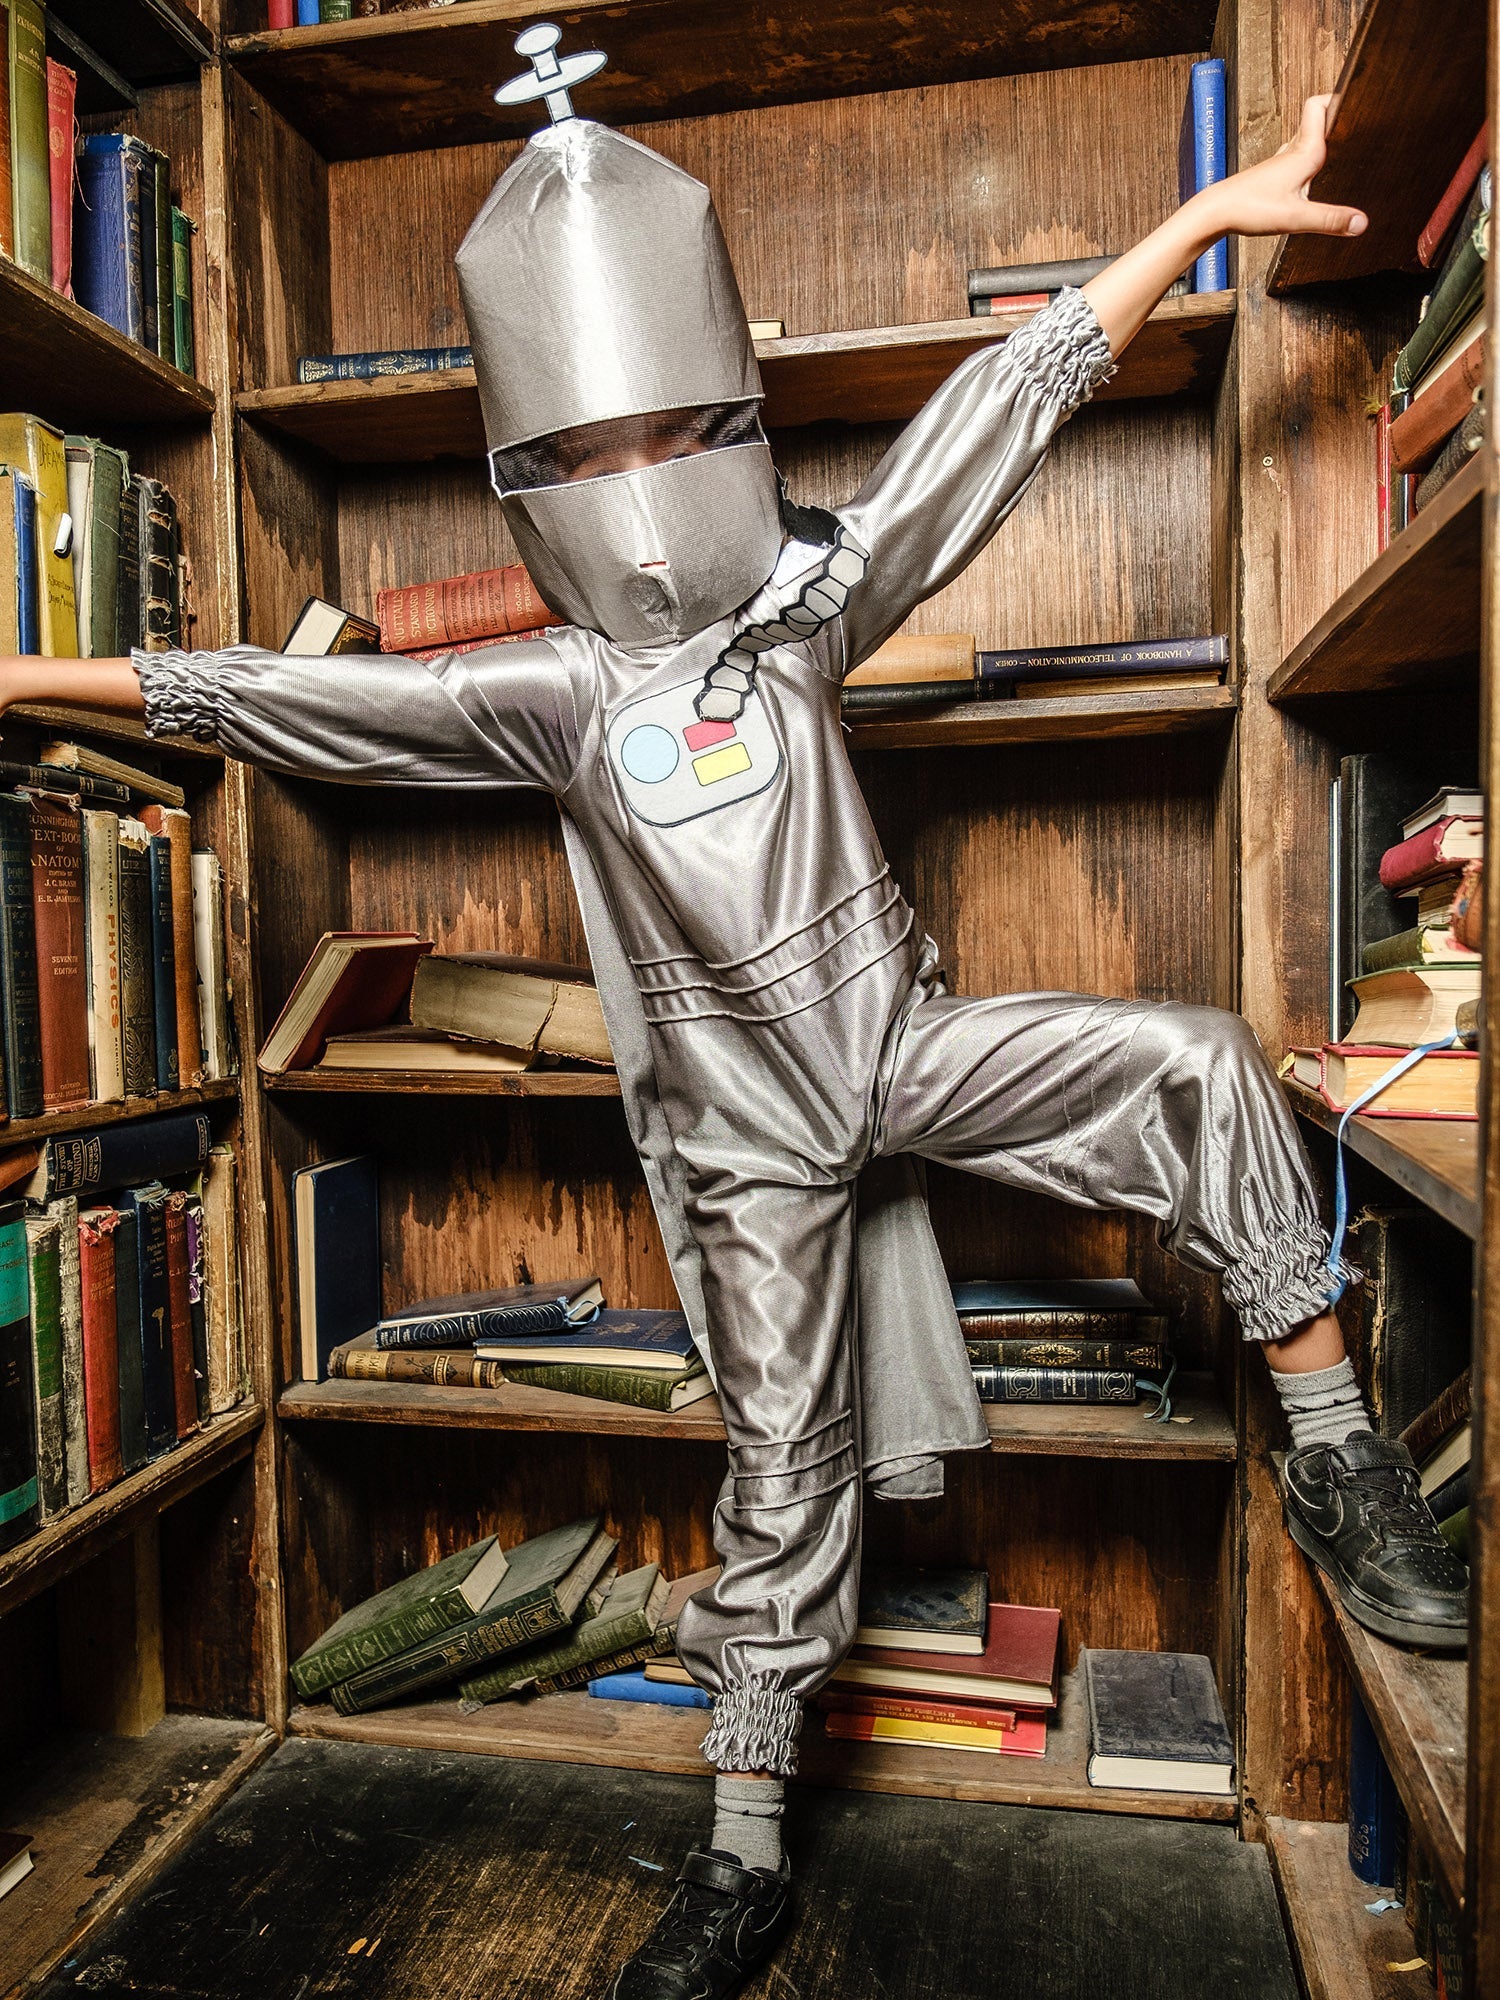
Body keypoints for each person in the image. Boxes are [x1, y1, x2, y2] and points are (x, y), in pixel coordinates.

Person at [0, 38, 1469, 1998]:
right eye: (583, 457)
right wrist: (34, 666)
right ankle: (747, 1844)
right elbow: (268, 692)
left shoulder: (813, 600)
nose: (635, 491)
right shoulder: (543, 692)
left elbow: (999, 410)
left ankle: (1340, 1452)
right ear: (529, 476)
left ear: (729, 421)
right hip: (753, 1135)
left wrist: (1200, 217)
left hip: (905, 1047)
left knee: (1195, 1067)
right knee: (777, 1482)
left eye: (665, 437)